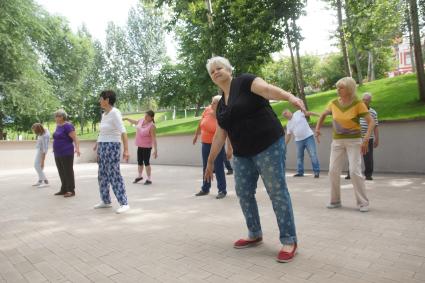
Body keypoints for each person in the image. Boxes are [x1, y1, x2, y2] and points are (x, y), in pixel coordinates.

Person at [204, 56, 305, 262]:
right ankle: (255, 234)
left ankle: (289, 239)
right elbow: (219, 135)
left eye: (219, 68)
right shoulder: (221, 106)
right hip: (242, 154)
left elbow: (268, 90)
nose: (216, 72)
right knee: (243, 193)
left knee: (276, 191)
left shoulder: (245, 81)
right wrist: (211, 161)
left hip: (268, 144)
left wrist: (290, 98)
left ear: (229, 69)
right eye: (212, 71)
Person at [315, 77, 375, 213]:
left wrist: (366, 139)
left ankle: (363, 202)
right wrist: (317, 129)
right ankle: (335, 200)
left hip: (354, 142)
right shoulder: (333, 103)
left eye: (341, 87)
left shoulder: (358, 103)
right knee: (333, 170)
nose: (338, 90)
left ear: (349, 89)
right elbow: (323, 114)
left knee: (354, 171)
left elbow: (371, 121)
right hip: (337, 142)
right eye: (337, 87)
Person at [93, 90, 130, 214]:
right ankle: (106, 200)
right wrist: (97, 147)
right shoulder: (104, 114)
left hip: (112, 146)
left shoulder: (115, 113)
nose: (99, 101)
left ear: (107, 100)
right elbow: (102, 133)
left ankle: (124, 203)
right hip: (103, 146)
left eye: (101, 99)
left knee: (114, 174)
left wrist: (126, 150)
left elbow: (123, 132)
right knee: (102, 175)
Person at [193, 95, 227, 199]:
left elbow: (225, 132)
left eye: (214, 103)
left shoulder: (222, 114)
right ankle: (205, 188)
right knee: (206, 167)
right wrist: (196, 135)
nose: (211, 104)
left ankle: (222, 190)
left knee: (218, 167)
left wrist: (230, 147)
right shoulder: (207, 110)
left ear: (220, 104)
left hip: (216, 145)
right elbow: (200, 123)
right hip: (205, 143)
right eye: (211, 102)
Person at [345, 93, 379, 180]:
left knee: (368, 157)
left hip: (368, 138)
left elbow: (375, 126)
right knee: (353, 156)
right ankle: (350, 173)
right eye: (363, 99)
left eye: (366, 100)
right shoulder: (357, 111)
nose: (364, 101)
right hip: (356, 137)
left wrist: (377, 139)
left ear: (370, 101)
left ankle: (368, 175)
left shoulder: (373, 112)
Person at [282, 109, 320, 178]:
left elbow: (308, 113)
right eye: (284, 115)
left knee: (313, 154)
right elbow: (288, 135)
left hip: (308, 137)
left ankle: (316, 172)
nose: (285, 114)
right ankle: (300, 172)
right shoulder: (288, 124)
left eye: (286, 113)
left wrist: (319, 115)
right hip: (298, 141)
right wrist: (284, 145)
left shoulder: (298, 113)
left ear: (290, 111)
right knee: (299, 157)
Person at [123, 110, 158, 185]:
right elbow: (135, 122)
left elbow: (154, 138)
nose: (145, 117)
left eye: (147, 116)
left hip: (147, 147)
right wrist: (127, 118)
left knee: (146, 162)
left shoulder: (152, 126)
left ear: (151, 118)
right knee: (139, 162)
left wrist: (155, 150)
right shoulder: (141, 120)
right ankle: (139, 176)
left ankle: (149, 179)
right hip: (140, 146)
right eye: (145, 115)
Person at [52, 109, 80, 197]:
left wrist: (77, 148)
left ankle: (71, 190)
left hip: (66, 152)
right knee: (61, 171)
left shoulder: (68, 126)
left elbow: (75, 138)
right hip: (58, 152)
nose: (56, 118)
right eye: (55, 116)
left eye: (57, 116)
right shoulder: (58, 126)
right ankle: (64, 189)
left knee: (68, 171)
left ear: (62, 117)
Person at [32, 123, 50, 188]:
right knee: (37, 165)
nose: (34, 132)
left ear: (38, 130)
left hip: (42, 151)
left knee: (36, 165)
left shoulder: (44, 136)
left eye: (35, 131)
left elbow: (45, 149)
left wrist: (43, 161)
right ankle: (40, 180)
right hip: (39, 149)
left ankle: (45, 181)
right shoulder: (44, 130)